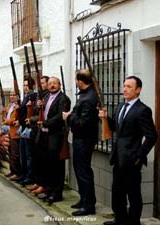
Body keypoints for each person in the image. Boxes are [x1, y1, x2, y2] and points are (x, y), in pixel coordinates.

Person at [100, 76, 157, 225]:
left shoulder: (143, 110)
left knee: (133, 195)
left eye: (129, 87)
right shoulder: (120, 106)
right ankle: (120, 219)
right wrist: (106, 118)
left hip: (132, 160)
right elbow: (117, 128)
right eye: (124, 86)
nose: (124, 89)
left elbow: (152, 136)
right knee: (117, 192)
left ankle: (133, 222)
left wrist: (139, 156)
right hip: (118, 158)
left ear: (138, 90)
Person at [62, 69, 99, 216]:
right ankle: (85, 200)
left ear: (81, 82)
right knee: (80, 170)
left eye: (76, 80)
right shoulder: (86, 95)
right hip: (81, 138)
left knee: (84, 172)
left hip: (84, 139)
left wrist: (68, 117)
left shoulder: (89, 98)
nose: (76, 83)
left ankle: (89, 205)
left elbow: (83, 123)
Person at [35, 76, 71, 204]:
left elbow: (60, 117)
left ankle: (57, 194)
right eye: (50, 83)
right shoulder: (45, 97)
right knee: (48, 165)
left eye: (54, 83)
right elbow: (38, 112)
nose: (52, 85)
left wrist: (46, 123)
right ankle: (49, 190)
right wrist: (38, 106)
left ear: (60, 85)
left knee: (57, 166)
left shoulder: (64, 99)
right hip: (44, 136)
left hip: (56, 135)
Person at [27, 75, 50, 192]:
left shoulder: (48, 96)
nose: (42, 85)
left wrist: (32, 119)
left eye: (44, 83)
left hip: (43, 131)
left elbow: (44, 114)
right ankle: (38, 181)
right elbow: (36, 111)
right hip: (36, 131)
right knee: (36, 158)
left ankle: (43, 184)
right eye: (40, 83)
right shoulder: (39, 96)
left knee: (42, 159)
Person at [15, 77, 37, 185]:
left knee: (29, 155)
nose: (25, 87)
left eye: (27, 85)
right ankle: (23, 174)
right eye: (24, 85)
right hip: (23, 127)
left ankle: (30, 176)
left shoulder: (33, 96)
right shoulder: (25, 97)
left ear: (33, 86)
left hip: (29, 128)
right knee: (22, 153)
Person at [2, 90, 21, 180]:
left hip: (15, 132)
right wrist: (3, 113)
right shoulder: (9, 106)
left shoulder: (18, 106)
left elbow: (13, 119)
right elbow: (6, 117)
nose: (12, 96)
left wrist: (6, 121)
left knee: (15, 153)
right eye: (11, 95)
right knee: (10, 152)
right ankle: (12, 171)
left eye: (14, 95)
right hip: (9, 131)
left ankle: (17, 172)